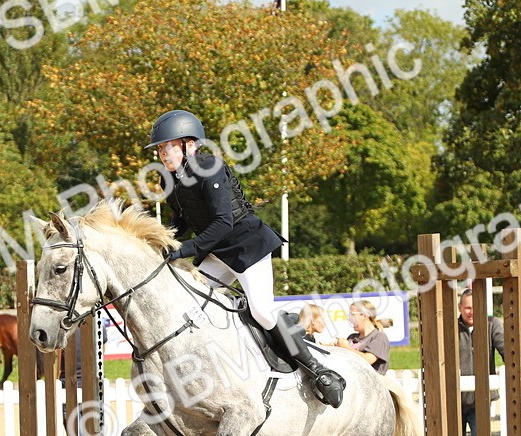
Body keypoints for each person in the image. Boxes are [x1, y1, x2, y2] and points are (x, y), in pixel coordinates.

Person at [148, 109, 344, 407]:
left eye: (166, 146)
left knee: (263, 312)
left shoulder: (209, 167)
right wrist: (158, 241)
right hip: (218, 253)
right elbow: (182, 220)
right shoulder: (172, 179)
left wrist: (185, 250)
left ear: (189, 144)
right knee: (195, 306)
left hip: (247, 247)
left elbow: (223, 222)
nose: (162, 153)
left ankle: (319, 371)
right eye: (160, 149)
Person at [457, 289, 505, 436]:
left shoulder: (491, 324)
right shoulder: (451, 327)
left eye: (475, 307)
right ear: (460, 308)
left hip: (481, 398)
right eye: (467, 307)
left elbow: (504, 346)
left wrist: (513, 363)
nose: (471, 312)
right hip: (455, 398)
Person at [335, 299, 390, 375]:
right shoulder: (352, 337)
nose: (349, 318)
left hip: (373, 384)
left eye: (352, 315)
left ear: (364, 315)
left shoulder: (379, 337)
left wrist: (346, 347)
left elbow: (367, 360)